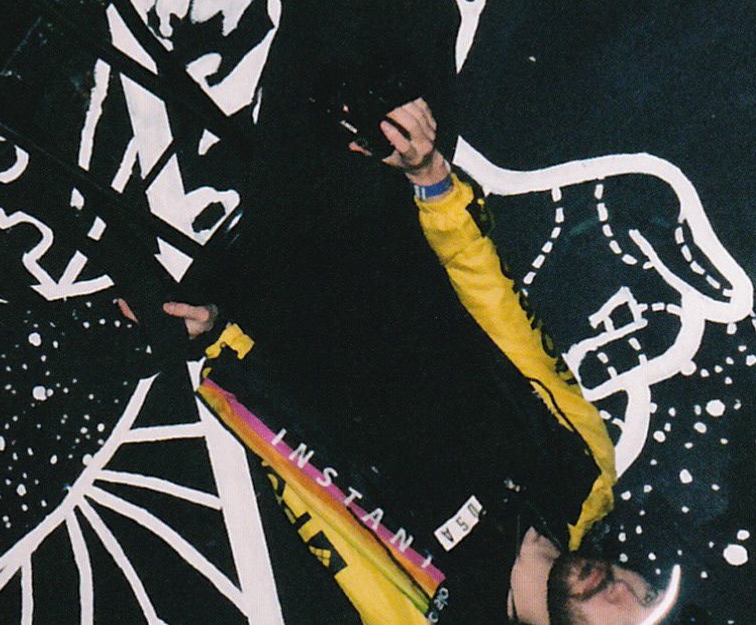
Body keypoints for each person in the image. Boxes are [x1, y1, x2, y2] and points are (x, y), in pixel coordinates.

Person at [123, 93, 681, 624]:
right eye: (650, 596)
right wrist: (431, 178)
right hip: (370, 216)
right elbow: (502, 311)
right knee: (376, 49)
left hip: (265, 317)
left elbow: (311, 494)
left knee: (133, 299)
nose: (624, 594)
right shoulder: (583, 474)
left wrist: (219, 338)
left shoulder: (431, 607)